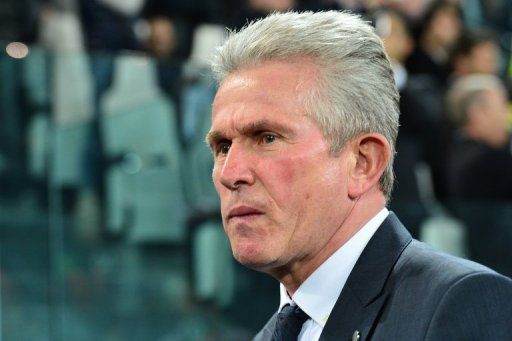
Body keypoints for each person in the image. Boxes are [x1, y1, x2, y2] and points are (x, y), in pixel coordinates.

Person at [206, 11, 512, 340]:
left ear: (363, 162)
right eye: (222, 146)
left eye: (267, 138)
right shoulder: (267, 336)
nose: (230, 172)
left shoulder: (462, 303)